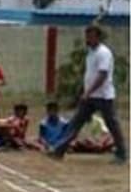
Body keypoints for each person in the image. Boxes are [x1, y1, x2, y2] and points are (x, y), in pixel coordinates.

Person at [49, 25, 127, 164]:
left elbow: (102, 75)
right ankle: (58, 150)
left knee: (112, 125)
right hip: (90, 96)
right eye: (87, 36)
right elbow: (90, 74)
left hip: (103, 96)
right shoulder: (91, 52)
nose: (88, 39)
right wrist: (84, 91)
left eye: (91, 36)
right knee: (75, 123)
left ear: (98, 37)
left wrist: (88, 92)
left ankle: (122, 154)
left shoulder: (104, 53)